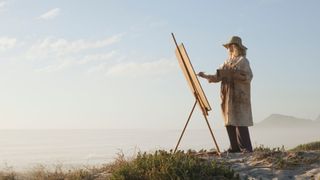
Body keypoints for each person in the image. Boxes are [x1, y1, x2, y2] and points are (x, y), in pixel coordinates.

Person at [198, 36, 253, 153]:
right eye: (229, 47)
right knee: (229, 121)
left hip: (239, 96)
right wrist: (205, 76)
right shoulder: (226, 62)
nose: (229, 49)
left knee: (240, 121)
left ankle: (246, 148)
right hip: (227, 96)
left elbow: (248, 77)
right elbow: (217, 77)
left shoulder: (243, 61)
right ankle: (234, 147)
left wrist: (235, 74)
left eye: (231, 46)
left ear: (237, 47)